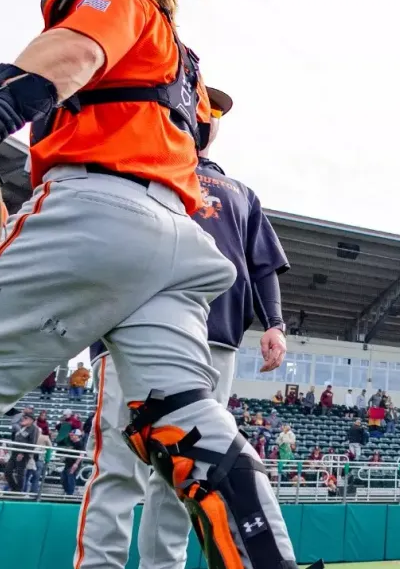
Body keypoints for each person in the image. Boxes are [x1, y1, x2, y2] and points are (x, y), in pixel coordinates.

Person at [0, 0, 303, 568]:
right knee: (194, 432)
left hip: (97, 212)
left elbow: (70, 54)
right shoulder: (184, 63)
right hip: (176, 248)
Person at [74, 85, 292, 569]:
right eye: (198, 102)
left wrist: (274, 323)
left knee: (186, 471)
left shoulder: (240, 191)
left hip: (218, 339)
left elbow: (262, 267)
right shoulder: (136, 161)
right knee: (117, 467)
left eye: (211, 109)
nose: (203, 113)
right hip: (131, 331)